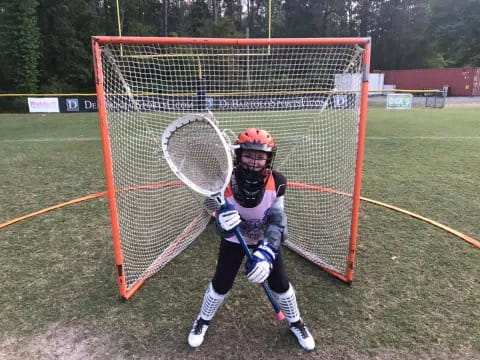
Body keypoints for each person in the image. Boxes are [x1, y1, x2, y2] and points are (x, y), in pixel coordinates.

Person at [187, 128, 315, 351]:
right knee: (221, 283)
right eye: (248, 155)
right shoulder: (223, 180)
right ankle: (202, 321)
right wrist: (220, 223)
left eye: (260, 156)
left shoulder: (278, 182)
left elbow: (278, 221)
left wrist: (266, 252)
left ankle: (296, 323)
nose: (254, 161)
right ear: (239, 155)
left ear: (268, 158)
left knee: (281, 285)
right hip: (235, 242)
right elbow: (210, 206)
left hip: (265, 241)